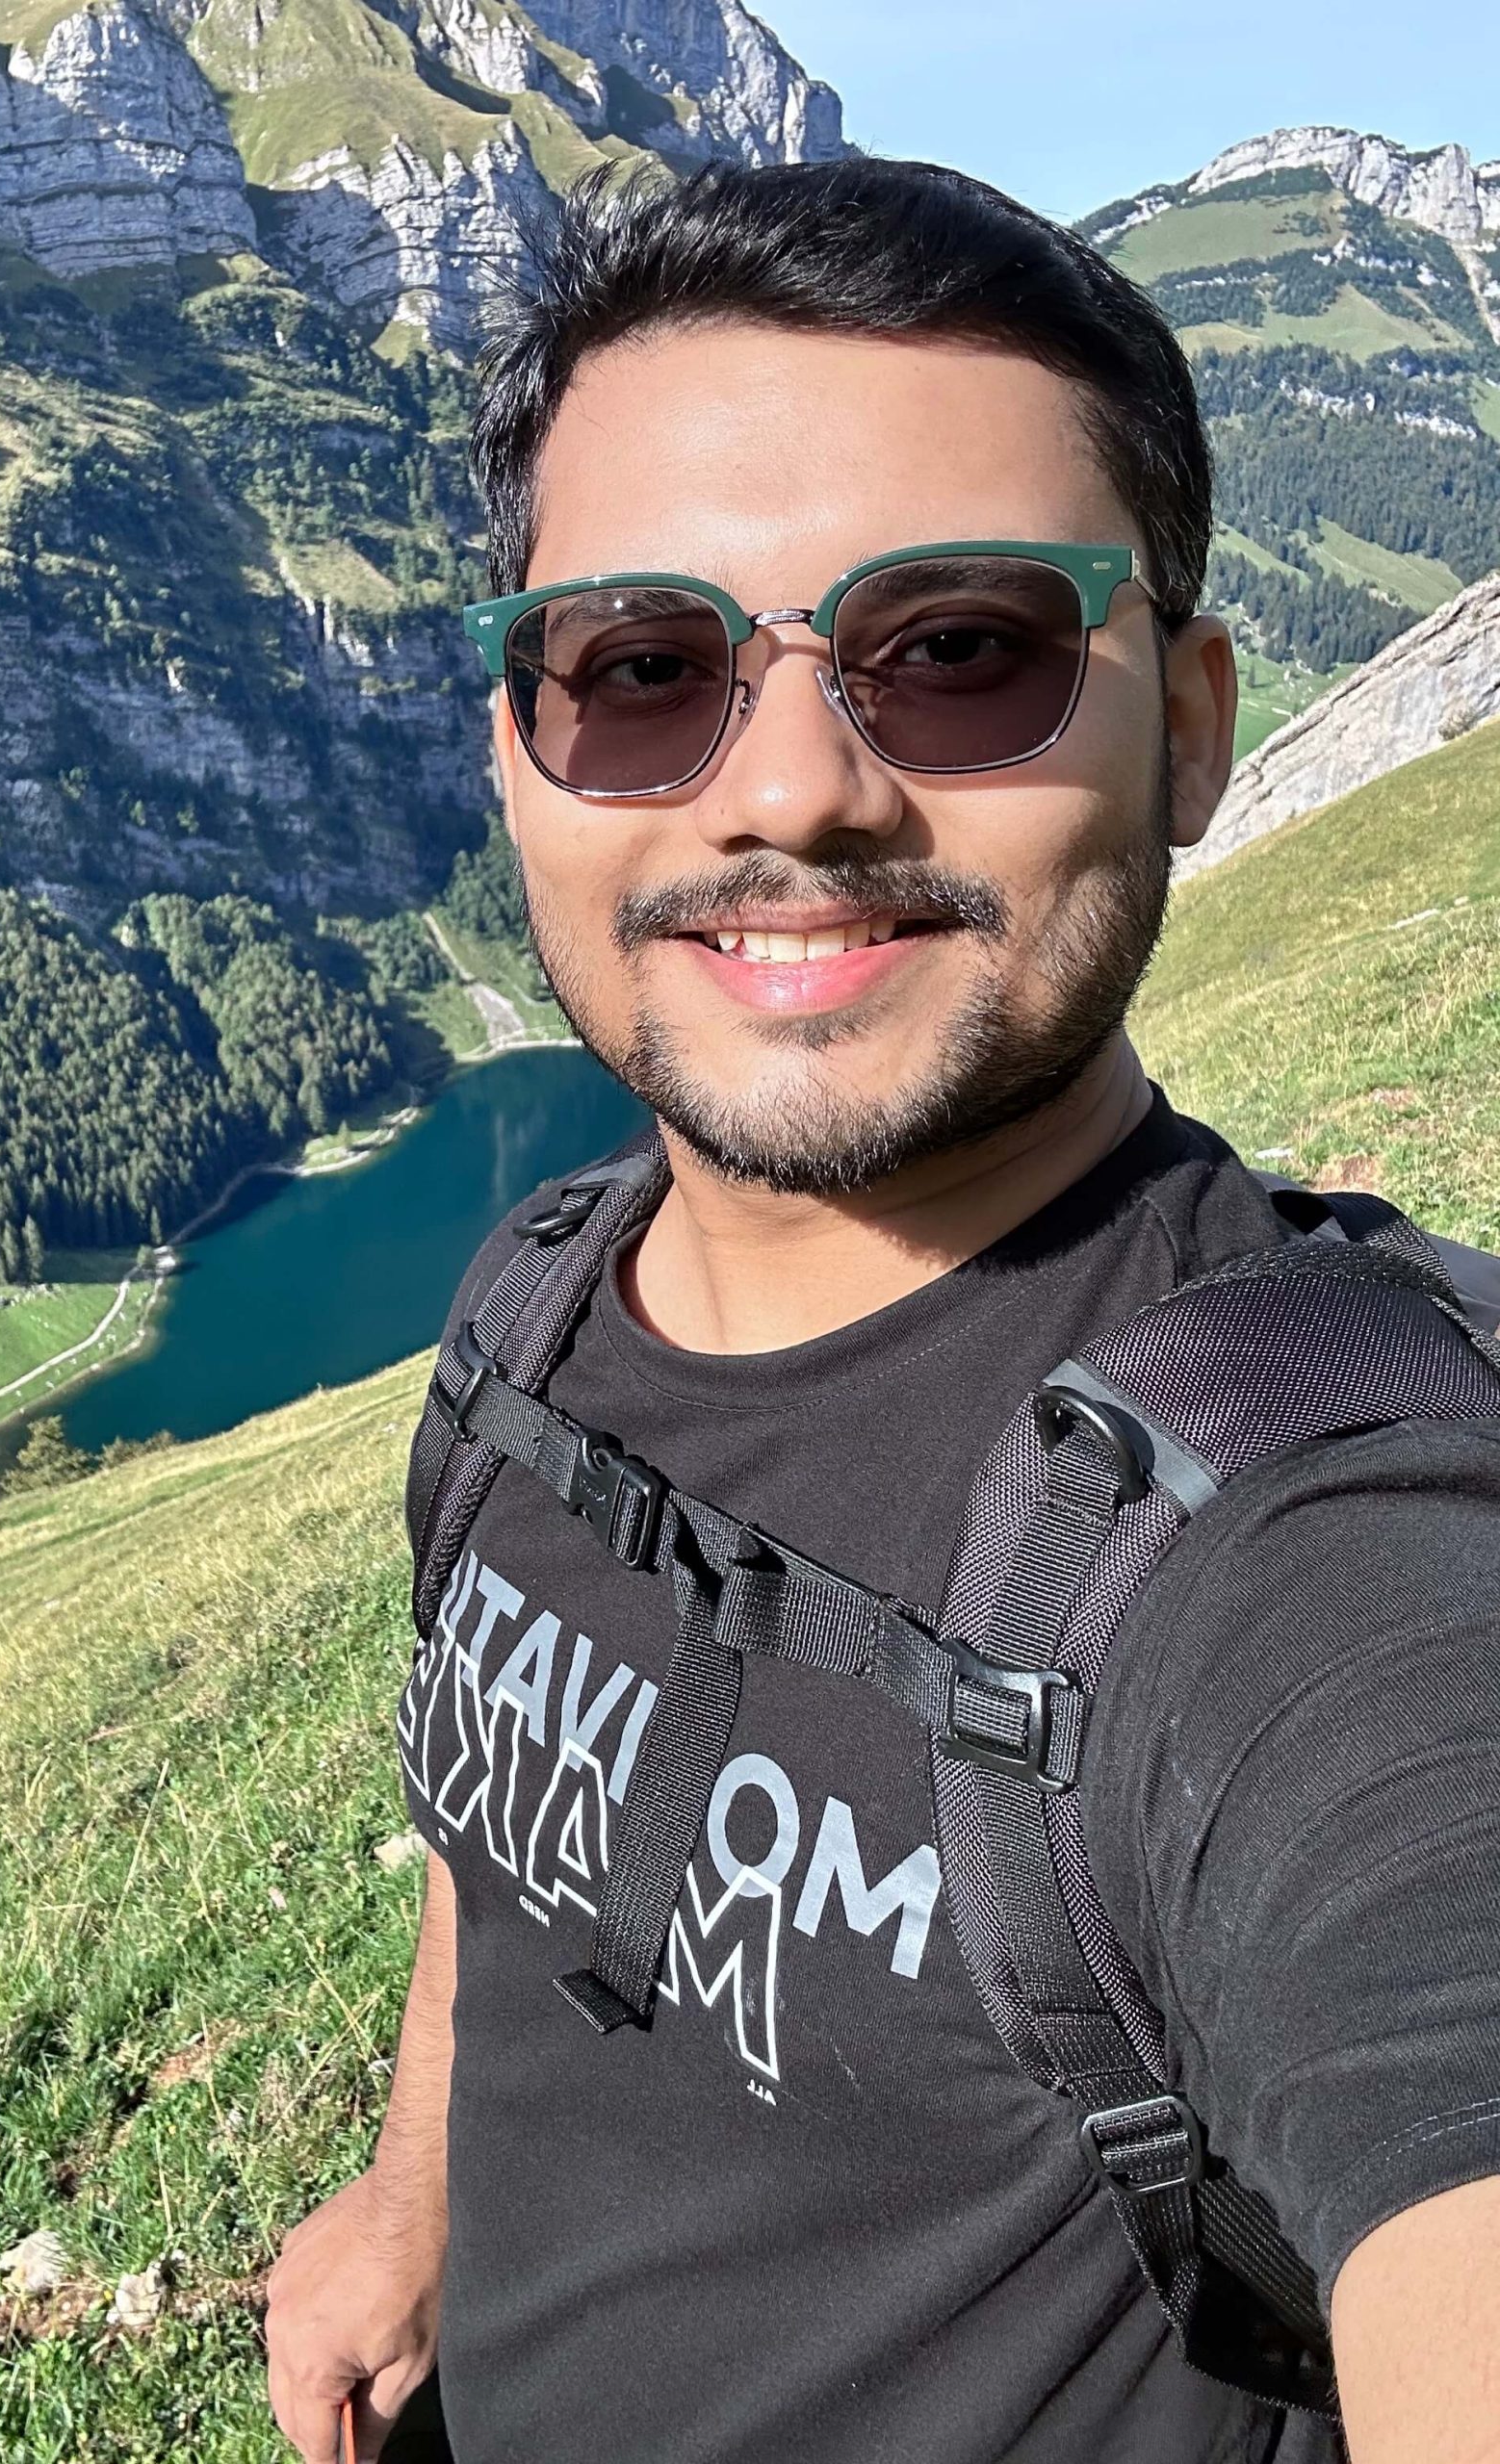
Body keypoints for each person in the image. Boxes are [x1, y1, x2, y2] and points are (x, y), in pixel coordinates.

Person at [264, 156, 1500, 2464]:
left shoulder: (1309, 1565)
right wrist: (417, 2189)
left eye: (961, 650)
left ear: (1195, 725)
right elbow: (508, 1841)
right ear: (515, 760)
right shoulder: (537, 1312)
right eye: (643, 672)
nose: (794, 790)